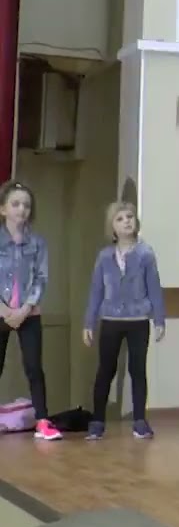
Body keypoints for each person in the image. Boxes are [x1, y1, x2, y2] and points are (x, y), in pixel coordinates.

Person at [83, 201, 166, 439]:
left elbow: (154, 288)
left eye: (129, 217)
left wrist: (159, 319)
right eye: (120, 219)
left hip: (138, 319)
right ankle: (98, 421)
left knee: (137, 370)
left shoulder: (145, 253)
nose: (126, 221)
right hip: (111, 319)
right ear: (112, 227)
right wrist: (89, 322)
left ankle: (140, 420)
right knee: (106, 369)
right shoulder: (104, 256)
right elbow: (96, 291)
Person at [0, 180, 59, 440]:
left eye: (26, 205)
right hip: (1, 312)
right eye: (15, 204)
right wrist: (4, 311)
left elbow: (41, 279)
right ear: (3, 209)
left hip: (29, 313)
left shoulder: (38, 243)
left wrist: (25, 309)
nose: (21, 209)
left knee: (34, 367)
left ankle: (43, 421)